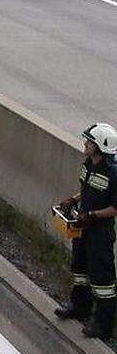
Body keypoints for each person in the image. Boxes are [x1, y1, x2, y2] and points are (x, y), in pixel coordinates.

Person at [55, 123, 117, 340]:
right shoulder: (89, 164)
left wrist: (92, 216)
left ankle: (103, 325)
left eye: (89, 142)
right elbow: (87, 189)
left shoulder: (113, 173)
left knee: (102, 280)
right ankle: (79, 307)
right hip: (83, 226)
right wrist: (73, 199)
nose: (85, 144)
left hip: (100, 233)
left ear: (99, 147)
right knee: (80, 269)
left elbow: (115, 208)